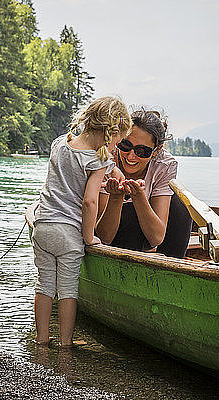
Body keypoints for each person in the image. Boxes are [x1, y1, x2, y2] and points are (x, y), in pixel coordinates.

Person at [31, 96, 132, 347]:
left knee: (44, 285)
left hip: (42, 226)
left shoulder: (59, 144)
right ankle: (66, 342)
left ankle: (41, 338)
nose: (117, 147)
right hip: (68, 233)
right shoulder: (97, 161)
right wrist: (89, 237)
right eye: (118, 142)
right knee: (67, 291)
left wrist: (114, 170)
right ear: (112, 133)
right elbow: (89, 202)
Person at [96, 108, 192, 258]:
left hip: (147, 234)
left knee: (181, 205)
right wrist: (116, 197)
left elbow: (157, 238)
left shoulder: (164, 165)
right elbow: (104, 237)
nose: (131, 156)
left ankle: (170, 268)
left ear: (156, 150)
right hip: (111, 237)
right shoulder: (105, 158)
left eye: (142, 151)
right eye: (126, 145)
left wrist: (139, 198)